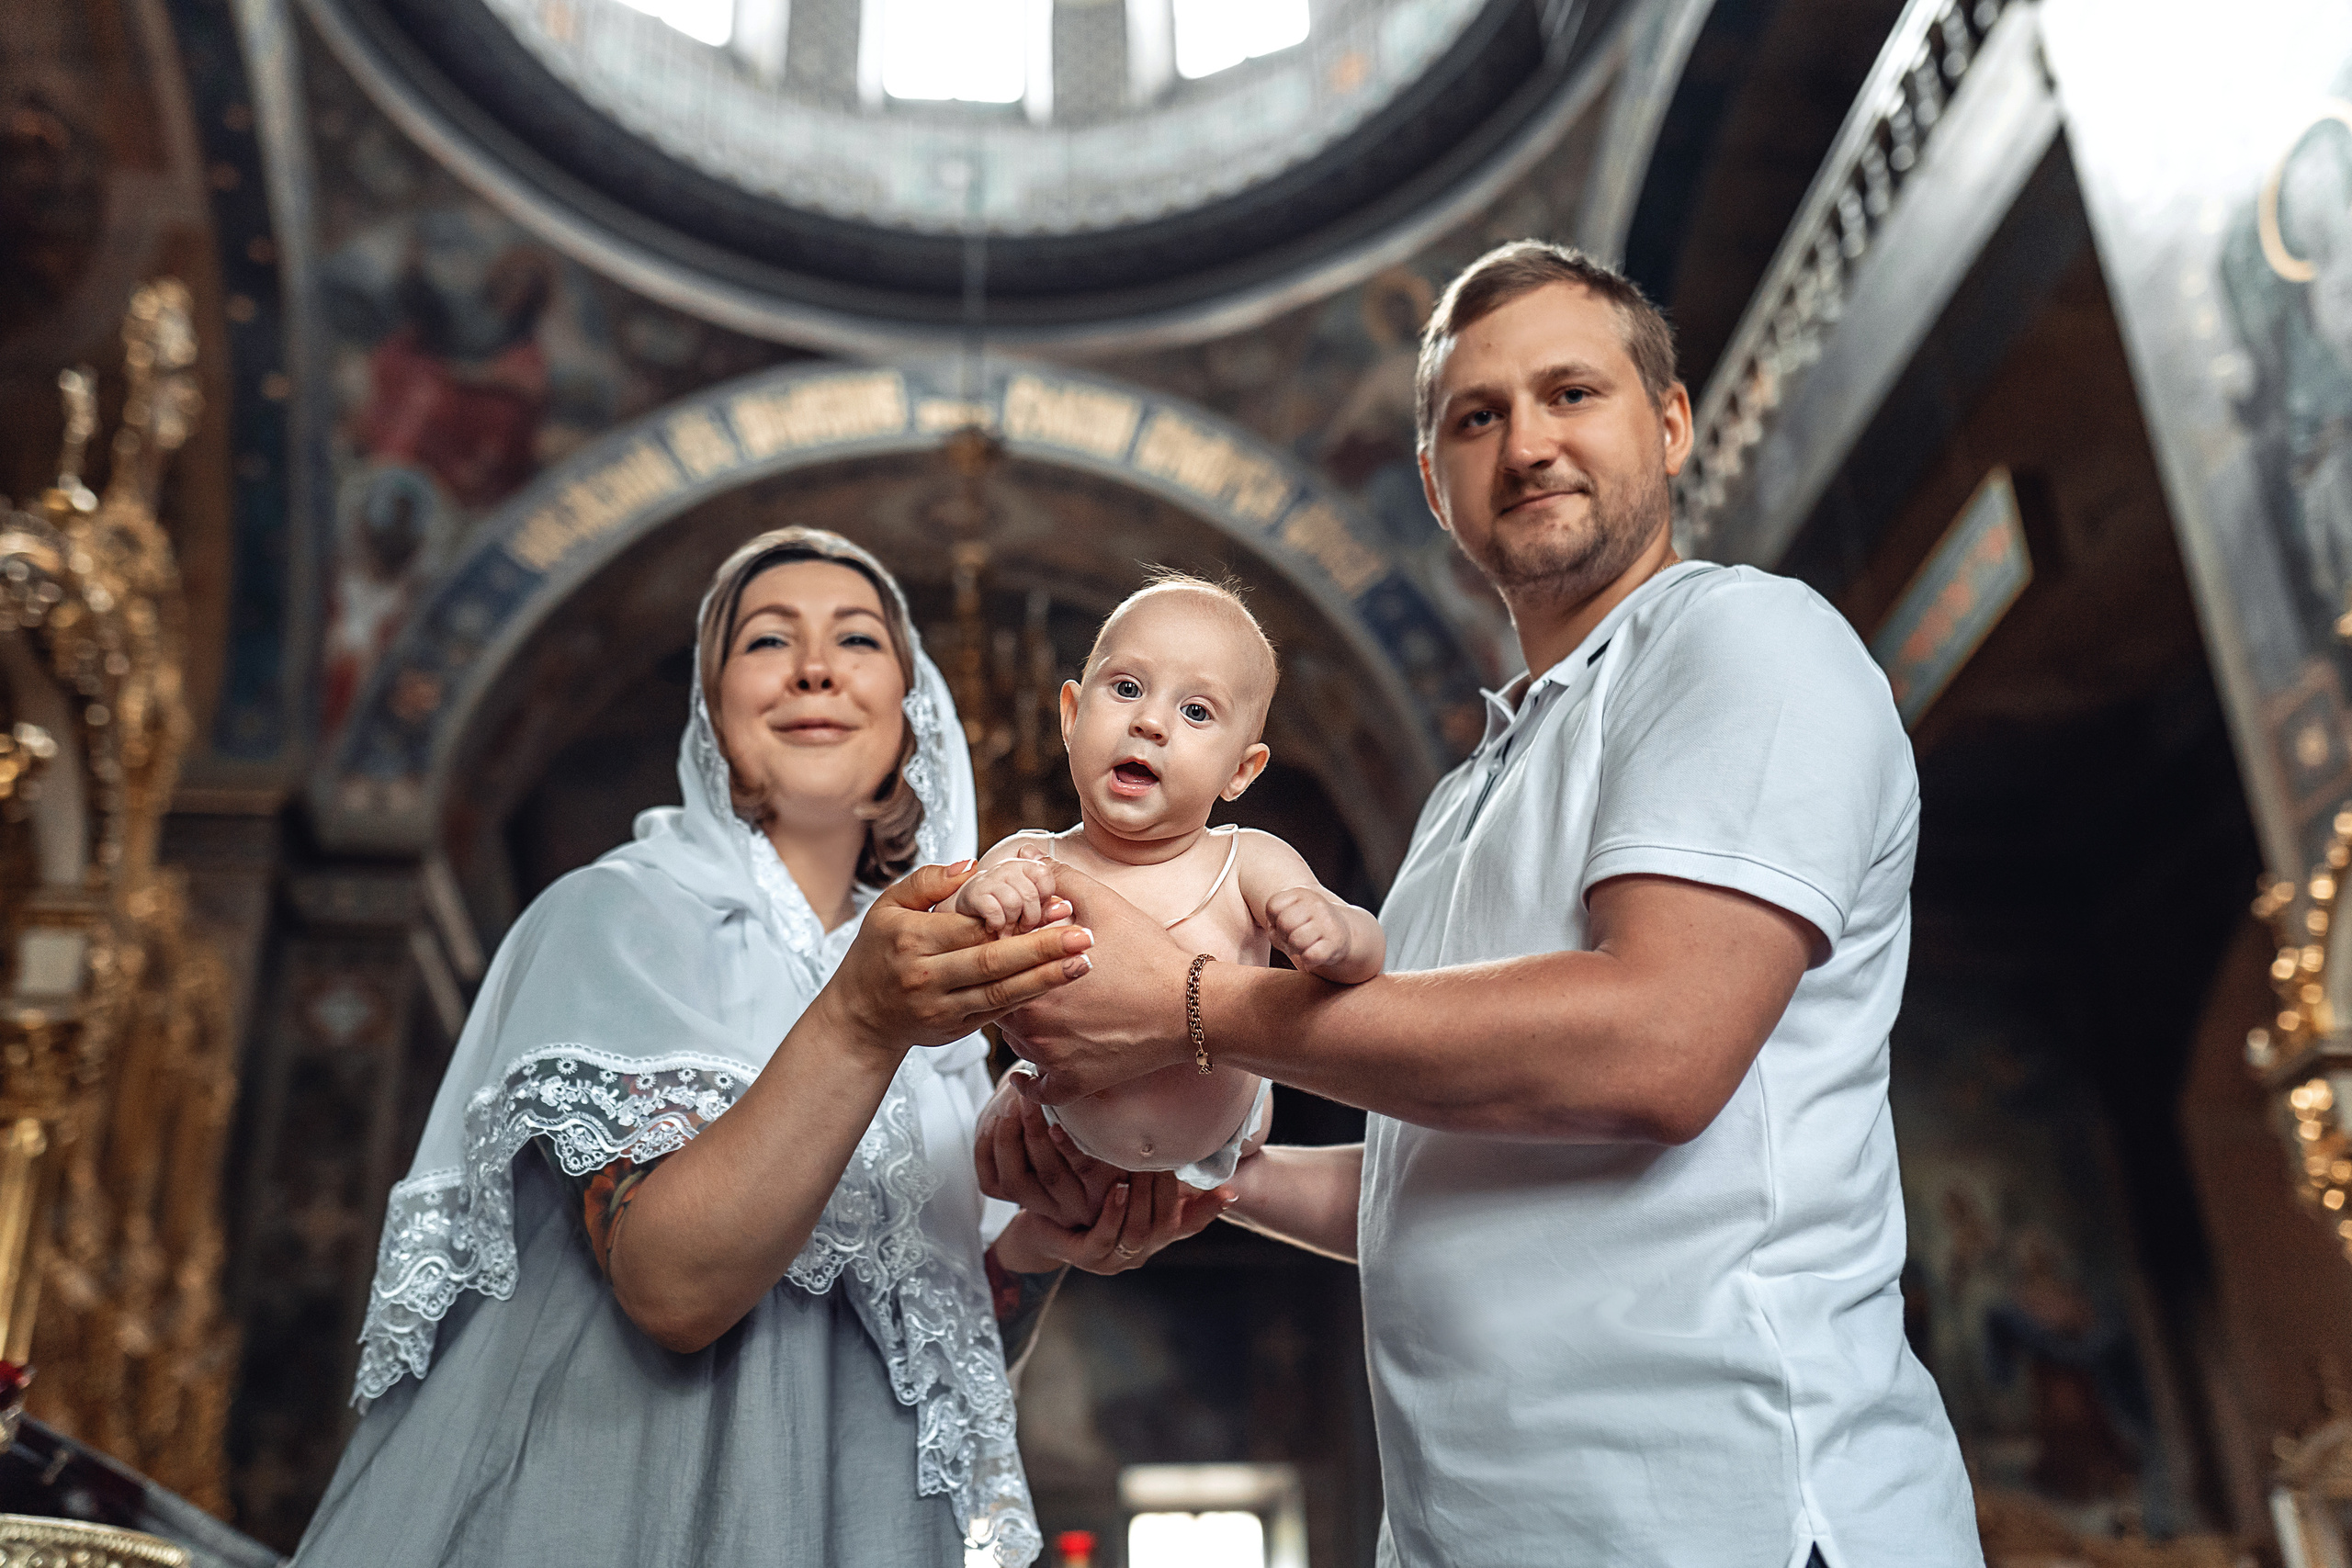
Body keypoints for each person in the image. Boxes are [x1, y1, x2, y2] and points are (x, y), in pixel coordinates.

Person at [989, 242, 1982, 1567]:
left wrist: (1180, 1007)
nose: (1527, 444)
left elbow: (1655, 1045)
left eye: (1573, 393)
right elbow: (1440, 1173)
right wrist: (1189, 1166)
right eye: (1478, 415)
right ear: (1433, 484)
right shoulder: (1466, 795)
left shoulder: (1743, 639)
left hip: (1721, 1512)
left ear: (1672, 420)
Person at [293, 527, 1228, 1568]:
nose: (816, 667)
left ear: (912, 709)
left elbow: (930, 1370)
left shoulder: (947, 1004)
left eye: (859, 641)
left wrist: (1042, 1248)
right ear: (714, 709)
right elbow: (672, 1290)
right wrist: (860, 1020)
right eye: (767, 641)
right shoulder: (617, 915)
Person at [955, 574, 1384, 1184]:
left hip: (1230, 1132)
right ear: (1071, 716)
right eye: (1127, 687)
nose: (1151, 721)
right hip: (1070, 1132)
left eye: (1196, 710)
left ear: (1240, 770)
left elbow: (1368, 950)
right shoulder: (1031, 856)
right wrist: (975, 899)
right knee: (999, 1135)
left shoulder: (1249, 861)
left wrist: (1336, 932)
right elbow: (941, 953)